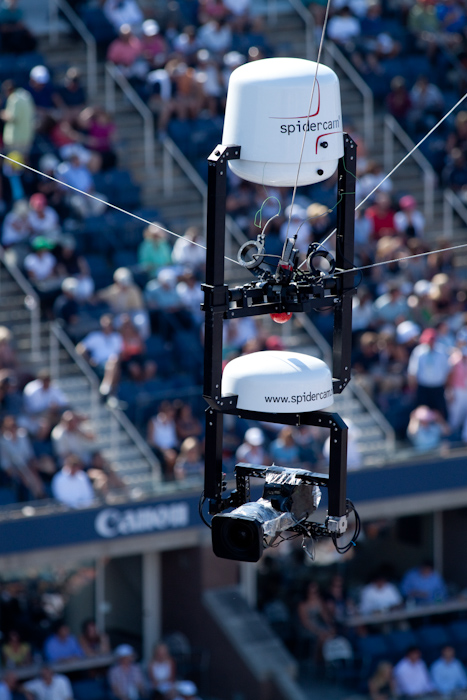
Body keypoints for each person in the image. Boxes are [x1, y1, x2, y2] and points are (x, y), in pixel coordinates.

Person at [408, 328, 451, 418]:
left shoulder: (442, 351)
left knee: (440, 413)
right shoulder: (418, 351)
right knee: (421, 413)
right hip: (423, 388)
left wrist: (447, 387)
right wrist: (413, 389)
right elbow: (412, 372)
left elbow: (447, 371)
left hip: (438, 389)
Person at [76, 314, 123, 397]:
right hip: (98, 363)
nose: (108, 327)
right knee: (114, 365)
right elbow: (79, 348)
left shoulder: (116, 337)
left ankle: (107, 386)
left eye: (109, 324)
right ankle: (110, 393)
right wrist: (89, 360)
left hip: (113, 363)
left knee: (114, 362)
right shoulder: (95, 336)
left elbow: (119, 353)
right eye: (106, 324)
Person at [0, 80, 35, 156]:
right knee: (24, 160)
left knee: (15, 164)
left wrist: (2, 114)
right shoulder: (26, 95)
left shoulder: (14, 98)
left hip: (15, 139)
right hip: (27, 137)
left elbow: (12, 117)